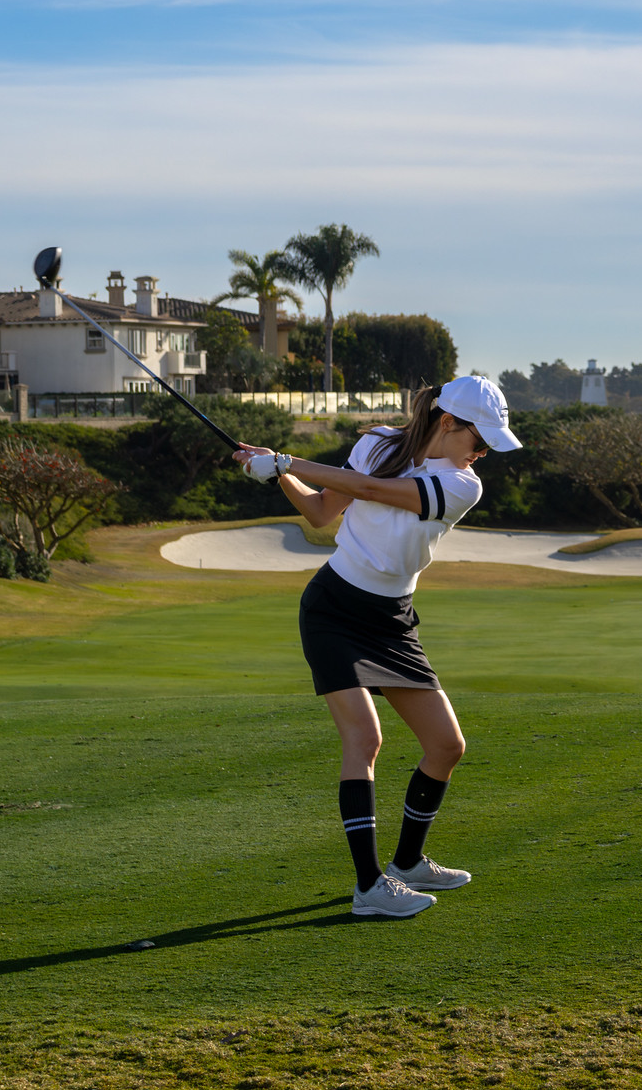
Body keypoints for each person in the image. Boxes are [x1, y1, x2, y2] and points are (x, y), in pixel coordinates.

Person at [233, 375, 522, 919]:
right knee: (365, 739)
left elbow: (370, 492)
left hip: (392, 620)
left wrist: (285, 460)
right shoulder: (378, 445)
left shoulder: (463, 484)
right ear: (447, 422)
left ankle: (407, 863)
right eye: (478, 438)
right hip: (334, 609)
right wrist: (273, 473)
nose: (483, 451)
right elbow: (322, 513)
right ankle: (369, 887)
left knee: (446, 746)